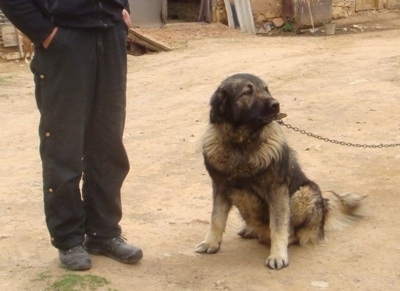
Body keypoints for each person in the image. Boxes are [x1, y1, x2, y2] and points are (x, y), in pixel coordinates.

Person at [0, 0, 143, 271]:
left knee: (108, 144)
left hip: (110, 37)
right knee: (64, 146)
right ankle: (68, 239)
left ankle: (104, 233)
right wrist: (45, 33)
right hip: (64, 40)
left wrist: (122, 10)